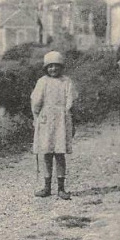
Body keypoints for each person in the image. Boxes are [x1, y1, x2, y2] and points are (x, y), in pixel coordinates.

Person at [31, 51, 75, 200]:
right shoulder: (42, 82)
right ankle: (47, 186)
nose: (53, 69)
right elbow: (36, 101)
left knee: (60, 153)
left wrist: (67, 113)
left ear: (61, 67)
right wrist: (36, 116)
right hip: (46, 119)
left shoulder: (67, 81)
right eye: (50, 67)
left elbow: (70, 99)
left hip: (61, 119)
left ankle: (61, 188)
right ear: (46, 68)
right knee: (47, 153)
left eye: (56, 66)